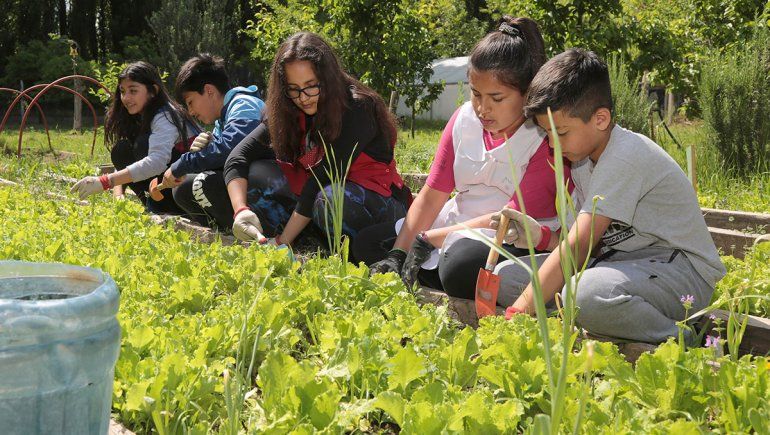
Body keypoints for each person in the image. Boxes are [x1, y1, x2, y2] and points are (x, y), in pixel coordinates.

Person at [494, 48, 726, 344]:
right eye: (547, 133)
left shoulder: (625, 155)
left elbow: (579, 246)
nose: (552, 144)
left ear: (601, 119)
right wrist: (538, 237)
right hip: (620, 264)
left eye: (561, 132)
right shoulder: (581, 159)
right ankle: (598, 320)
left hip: (681, 272)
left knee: (583, 293)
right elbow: (574, 242)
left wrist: (517, 314)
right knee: (507, 276)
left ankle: (681, 339)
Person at [352, 16, 569, 297]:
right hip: (457, 223)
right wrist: (398, 252)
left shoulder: (543, 136)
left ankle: (433, 274)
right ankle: (419, 271)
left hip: (511, 235)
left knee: (460, 266)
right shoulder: (463, 119)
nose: (482, 108)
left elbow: (507, 219)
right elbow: (432, 194)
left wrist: (429, 239)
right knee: (367, 243)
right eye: (476, 94)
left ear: (527, 93)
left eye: (497, 98)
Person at [222, 32, 411, 246]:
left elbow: (323, 178)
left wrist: (283, 242)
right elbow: (238, 156)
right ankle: (310, 238)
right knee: (257, 173)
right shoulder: (287, 109)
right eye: (293, 89)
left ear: (327, 79)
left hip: (378, 202)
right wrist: (241, 210)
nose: (303, 98)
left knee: (329, 199)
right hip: (319, 195)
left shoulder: (359, 107)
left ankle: (318, 242)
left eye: (311, 85)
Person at [71, 61, 199, 213]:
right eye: (122, 91)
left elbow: (156, 162)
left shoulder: (164, 115)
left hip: (188, 184)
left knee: (141, 144)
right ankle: (154, 204)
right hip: (165, 181)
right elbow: (124, 165)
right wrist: (118, 194)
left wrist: (105, 181)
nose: (125, 98)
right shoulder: (139, 115)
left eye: (133, 91)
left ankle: (170, 207)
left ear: (153, 90)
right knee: (122, 150)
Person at [165, 53, 266, 229]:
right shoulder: (223, 119)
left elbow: (229, 150)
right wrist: (204, 148)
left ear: (209, 91)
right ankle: (229, 230)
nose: (191, 112)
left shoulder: (244, 104)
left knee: (201, 182)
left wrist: (181, 164)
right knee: (183, 188)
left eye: (190, 102)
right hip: (248, 185)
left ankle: (254, 229)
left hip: (268, 187)